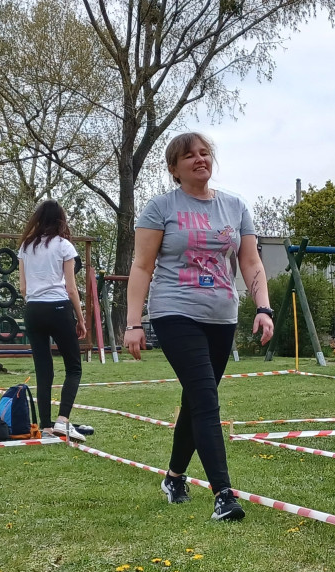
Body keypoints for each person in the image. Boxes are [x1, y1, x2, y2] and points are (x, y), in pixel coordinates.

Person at [124, 132, 274, 522]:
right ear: (174, 168)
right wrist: (133, 323)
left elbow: (251, 262)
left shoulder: (235, 206)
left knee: (196, 400)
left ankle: (174, 477)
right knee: (206, 399)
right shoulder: (160, 209)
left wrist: (264, 308)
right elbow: (141, 266)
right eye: (189, 156)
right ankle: (224, 494)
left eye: (205, 153)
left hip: (221, 316)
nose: (199, 159)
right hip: (175, 311)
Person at [17, 200, 89, 442]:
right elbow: (71, 289)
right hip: (58, 307)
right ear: (61, 220)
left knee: (43, 370)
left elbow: (23, 287)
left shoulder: (26, 247)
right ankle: (63, 420)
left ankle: (46, 426)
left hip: (33, 309)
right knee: (74, 367)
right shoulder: (64, 246)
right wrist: (80, 318)